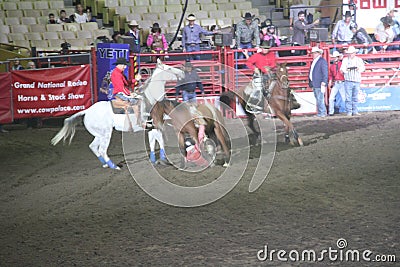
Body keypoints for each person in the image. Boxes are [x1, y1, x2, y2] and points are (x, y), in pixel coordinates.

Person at [110, 57, 143, 131]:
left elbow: (127, 83)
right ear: (120, 65)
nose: (125, 67)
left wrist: (135, 80)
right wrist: (130, 94)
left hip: (121, 92)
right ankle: (138, 122)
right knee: (135, 101)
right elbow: (121, 87)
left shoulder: (119, 73)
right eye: (124, 65)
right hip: (120, 93)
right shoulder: (117, 74)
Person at [340, 46, 365, 116]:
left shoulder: (359, 60)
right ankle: (349, 112)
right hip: (348, 80)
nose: (350, 55)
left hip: (356, 80)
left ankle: (354, 111)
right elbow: (342, 69)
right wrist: (346, 70)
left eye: (352, 53)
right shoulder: (345, 60)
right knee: (348, 97)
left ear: (354, 53)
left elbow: (363, 68)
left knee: (355, 97)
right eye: (349, 53)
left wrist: (358, 69)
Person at [308, 46, 328, 118]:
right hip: (316, 82)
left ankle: (322, 112)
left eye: (314, 53)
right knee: (318, 98)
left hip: (319, 82)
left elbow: (325, 72)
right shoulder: (316, 61)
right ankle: (321, 112)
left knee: (319, 98)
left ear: (318, 53)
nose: (313, 54)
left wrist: (324, 81)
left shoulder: (321, 61)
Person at [328, 51, 346, 116]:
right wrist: (330, 81)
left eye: (335, 57)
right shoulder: (332, 66)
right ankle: (331, 112)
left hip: (342, 82)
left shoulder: (342, 64)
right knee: (331, 98)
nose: (334, 58)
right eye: (334, 57)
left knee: (344, 98)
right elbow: (330, 75)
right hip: (336, 82)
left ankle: (348, 110)